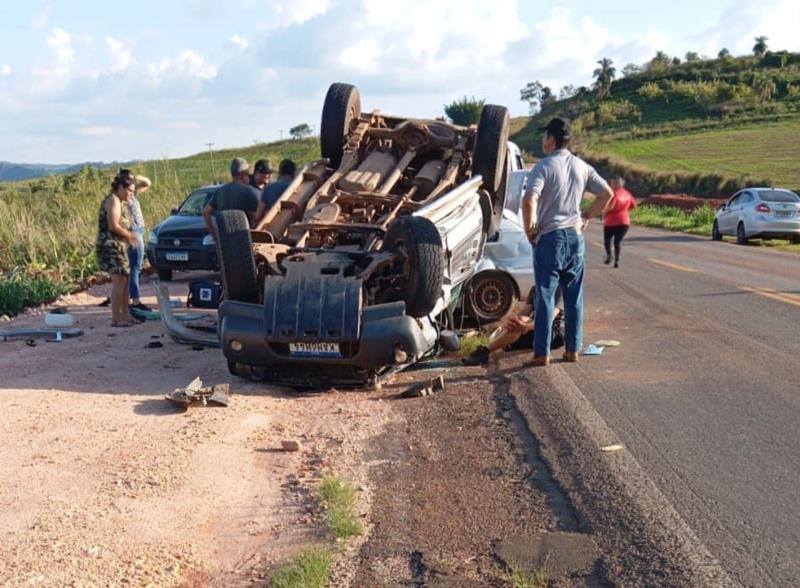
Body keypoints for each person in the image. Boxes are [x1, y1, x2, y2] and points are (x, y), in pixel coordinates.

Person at [521, 116, 613, 366]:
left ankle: (542, 354)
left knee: (545, 297)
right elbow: (607, 194)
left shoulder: (543, 166)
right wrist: (587, 216)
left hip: (549, 238)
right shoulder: (582, 166)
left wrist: (529, 229)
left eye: (544, 136)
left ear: (551, 139)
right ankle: (572, 350)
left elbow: (529, 199)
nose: (543, 140)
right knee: (574, 297)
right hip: (575, 238)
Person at [462, 289, 565, 366]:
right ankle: (487, 350)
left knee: (520, 323)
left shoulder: (558, 290)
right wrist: (510, 320)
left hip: (553, 332)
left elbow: (547, 321)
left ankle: (484, 352)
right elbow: (524, 313)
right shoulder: (535, 288)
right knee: (512, 327)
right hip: (534, 329)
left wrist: (524, 327)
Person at [96, 170, 140, 327]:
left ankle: (126, 314)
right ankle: (116, 317)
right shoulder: (113, 200)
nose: (131, 194)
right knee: (119, 281)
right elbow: (113, 225)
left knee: (126, 279)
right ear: (120, 187)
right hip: (111, 245)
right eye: (129, 190)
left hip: (120, 246)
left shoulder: (122, 201)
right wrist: (130, 236)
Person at [202, 157, 260, 235]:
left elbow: (206, 212)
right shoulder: (248, 191)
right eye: (248, 175)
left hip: (225, 240)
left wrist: (215, 236)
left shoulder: (220, 191)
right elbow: (256, 217)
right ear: (243, 175)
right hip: (244, 239)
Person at [128, 174, 152, 311]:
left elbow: (147, 183)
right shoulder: (125, 199)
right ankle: (136, 302)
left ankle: (129, 300)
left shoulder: (129, 195)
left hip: (137, 231)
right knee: (135, 269)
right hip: (134, 231)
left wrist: (135, 178)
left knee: (132, 269)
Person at [602, 177, 636, 268]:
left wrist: (603, 212)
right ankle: (617, 259)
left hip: (611, 221)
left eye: (612, 183)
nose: (610, 185)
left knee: (607, 240)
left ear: (615, 184)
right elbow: (633, 205)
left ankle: (609, 255)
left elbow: (611, 206)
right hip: (624, 221)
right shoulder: (627, 193)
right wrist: (624, 210)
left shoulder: (613, 194)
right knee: (618, 242)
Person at [255, 158, 296, 224]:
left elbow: (257, 216)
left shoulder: (268, 188)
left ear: (280, 172)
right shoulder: (299, 188)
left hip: (273, 228)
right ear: (294, 173)